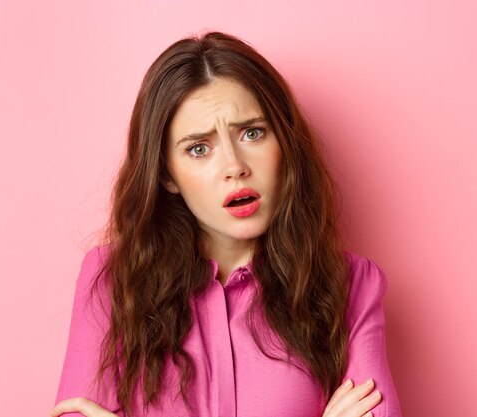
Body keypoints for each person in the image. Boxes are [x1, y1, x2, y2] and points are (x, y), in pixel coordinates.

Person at [50, 31, 402, 417]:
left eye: (252, 133)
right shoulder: (112, 281)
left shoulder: (351, 285)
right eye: (199, 149)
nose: (235, 167)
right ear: (167, 174)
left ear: (285, 143)